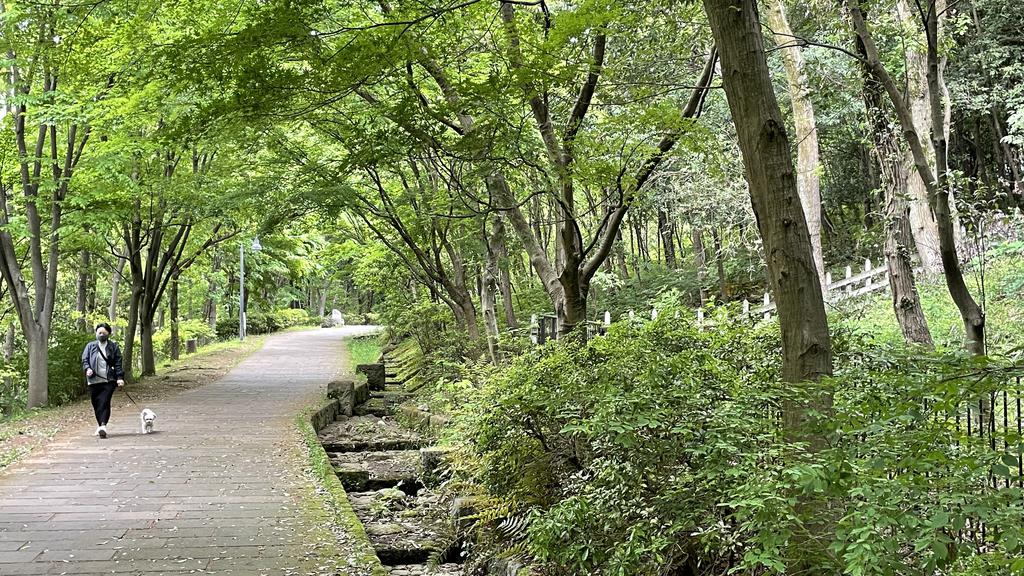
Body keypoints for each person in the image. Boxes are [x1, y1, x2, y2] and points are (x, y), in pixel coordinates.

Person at [81, 323, 125, 438]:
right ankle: (100, 425)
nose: (101, 335)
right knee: (96, 403)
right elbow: (85, 360)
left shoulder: (113, 347)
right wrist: (88, 369)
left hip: (109, 380)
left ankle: (103, 425)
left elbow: (118, 363)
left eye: (104, 333)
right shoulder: (90, 346)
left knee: (104, 402)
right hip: (93, 380)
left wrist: (120, 378)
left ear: (108, 334)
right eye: (99, 333)